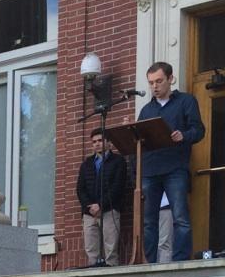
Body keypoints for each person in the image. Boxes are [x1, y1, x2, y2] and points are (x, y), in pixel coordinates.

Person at [138, 61, 205, 263]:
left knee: (180, 218)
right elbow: (140, 143)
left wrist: (183, 136)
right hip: (150, 170)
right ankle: (148, 263)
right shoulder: (146, 110)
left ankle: (180, 261)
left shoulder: (186, 101)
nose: (154, 87)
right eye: (151, 83)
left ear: (170, 79)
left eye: (159, 81)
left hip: (175, 168)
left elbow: (199, 130)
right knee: (149, 221)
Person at [76, 128, 127, 266]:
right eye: (94, 142)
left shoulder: (118, 161)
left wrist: (100, 204)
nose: (96, 144)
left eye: (100, 140)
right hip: (89, 213)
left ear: (109, 143)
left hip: (109, 210)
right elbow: (80, 189)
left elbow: (117, 187)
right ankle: (93, 276)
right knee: (91, 249)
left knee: (111, 249)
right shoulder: (86, 164)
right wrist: (90, 206)